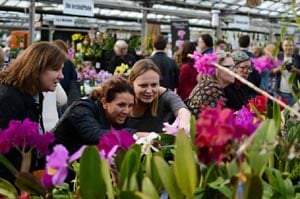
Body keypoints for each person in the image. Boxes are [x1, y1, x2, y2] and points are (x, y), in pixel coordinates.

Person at [0, 41, 66, 182]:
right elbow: (7, 154)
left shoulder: (35, 95)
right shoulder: (8, 99)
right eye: (56, 69)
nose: (61, 76)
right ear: (37, 68)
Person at [54, 76, 135, 154]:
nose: (126, 111)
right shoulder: (82, 109)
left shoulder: (117, 117)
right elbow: (95, 136)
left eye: (130, 106)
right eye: (121, 105)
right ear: (104, 102)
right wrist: (134, 135)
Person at [127, 59, 191, 133]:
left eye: (154, 85)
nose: (149, 91)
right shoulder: (123, 98)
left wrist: (184, 127)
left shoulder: (165, 95)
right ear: (132, 84)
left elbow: (182, 110)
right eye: (143, 85)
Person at [186, 50, 235, 116]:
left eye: (234, 67)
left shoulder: (210, 85)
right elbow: (218, 122)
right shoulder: (211, 89)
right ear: (216, 69)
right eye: (230, 67)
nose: (234, 71)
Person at [271, 38, 300, 105]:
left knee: (292, 114)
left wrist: (295, 70)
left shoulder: (298, 58)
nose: (288, 47)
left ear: (293, 46)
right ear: (282, 46)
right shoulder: (277, 57)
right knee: (278, 114)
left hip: (293, 93)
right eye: (286, 45)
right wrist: (280, 68)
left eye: (290, 45)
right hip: (278, 92)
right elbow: (271, 73)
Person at [52, 39, 80, 108]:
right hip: (70, 96)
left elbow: (64, 81)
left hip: (63, 95)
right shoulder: (69, 62)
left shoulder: (61, 62)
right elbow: (74, 79)